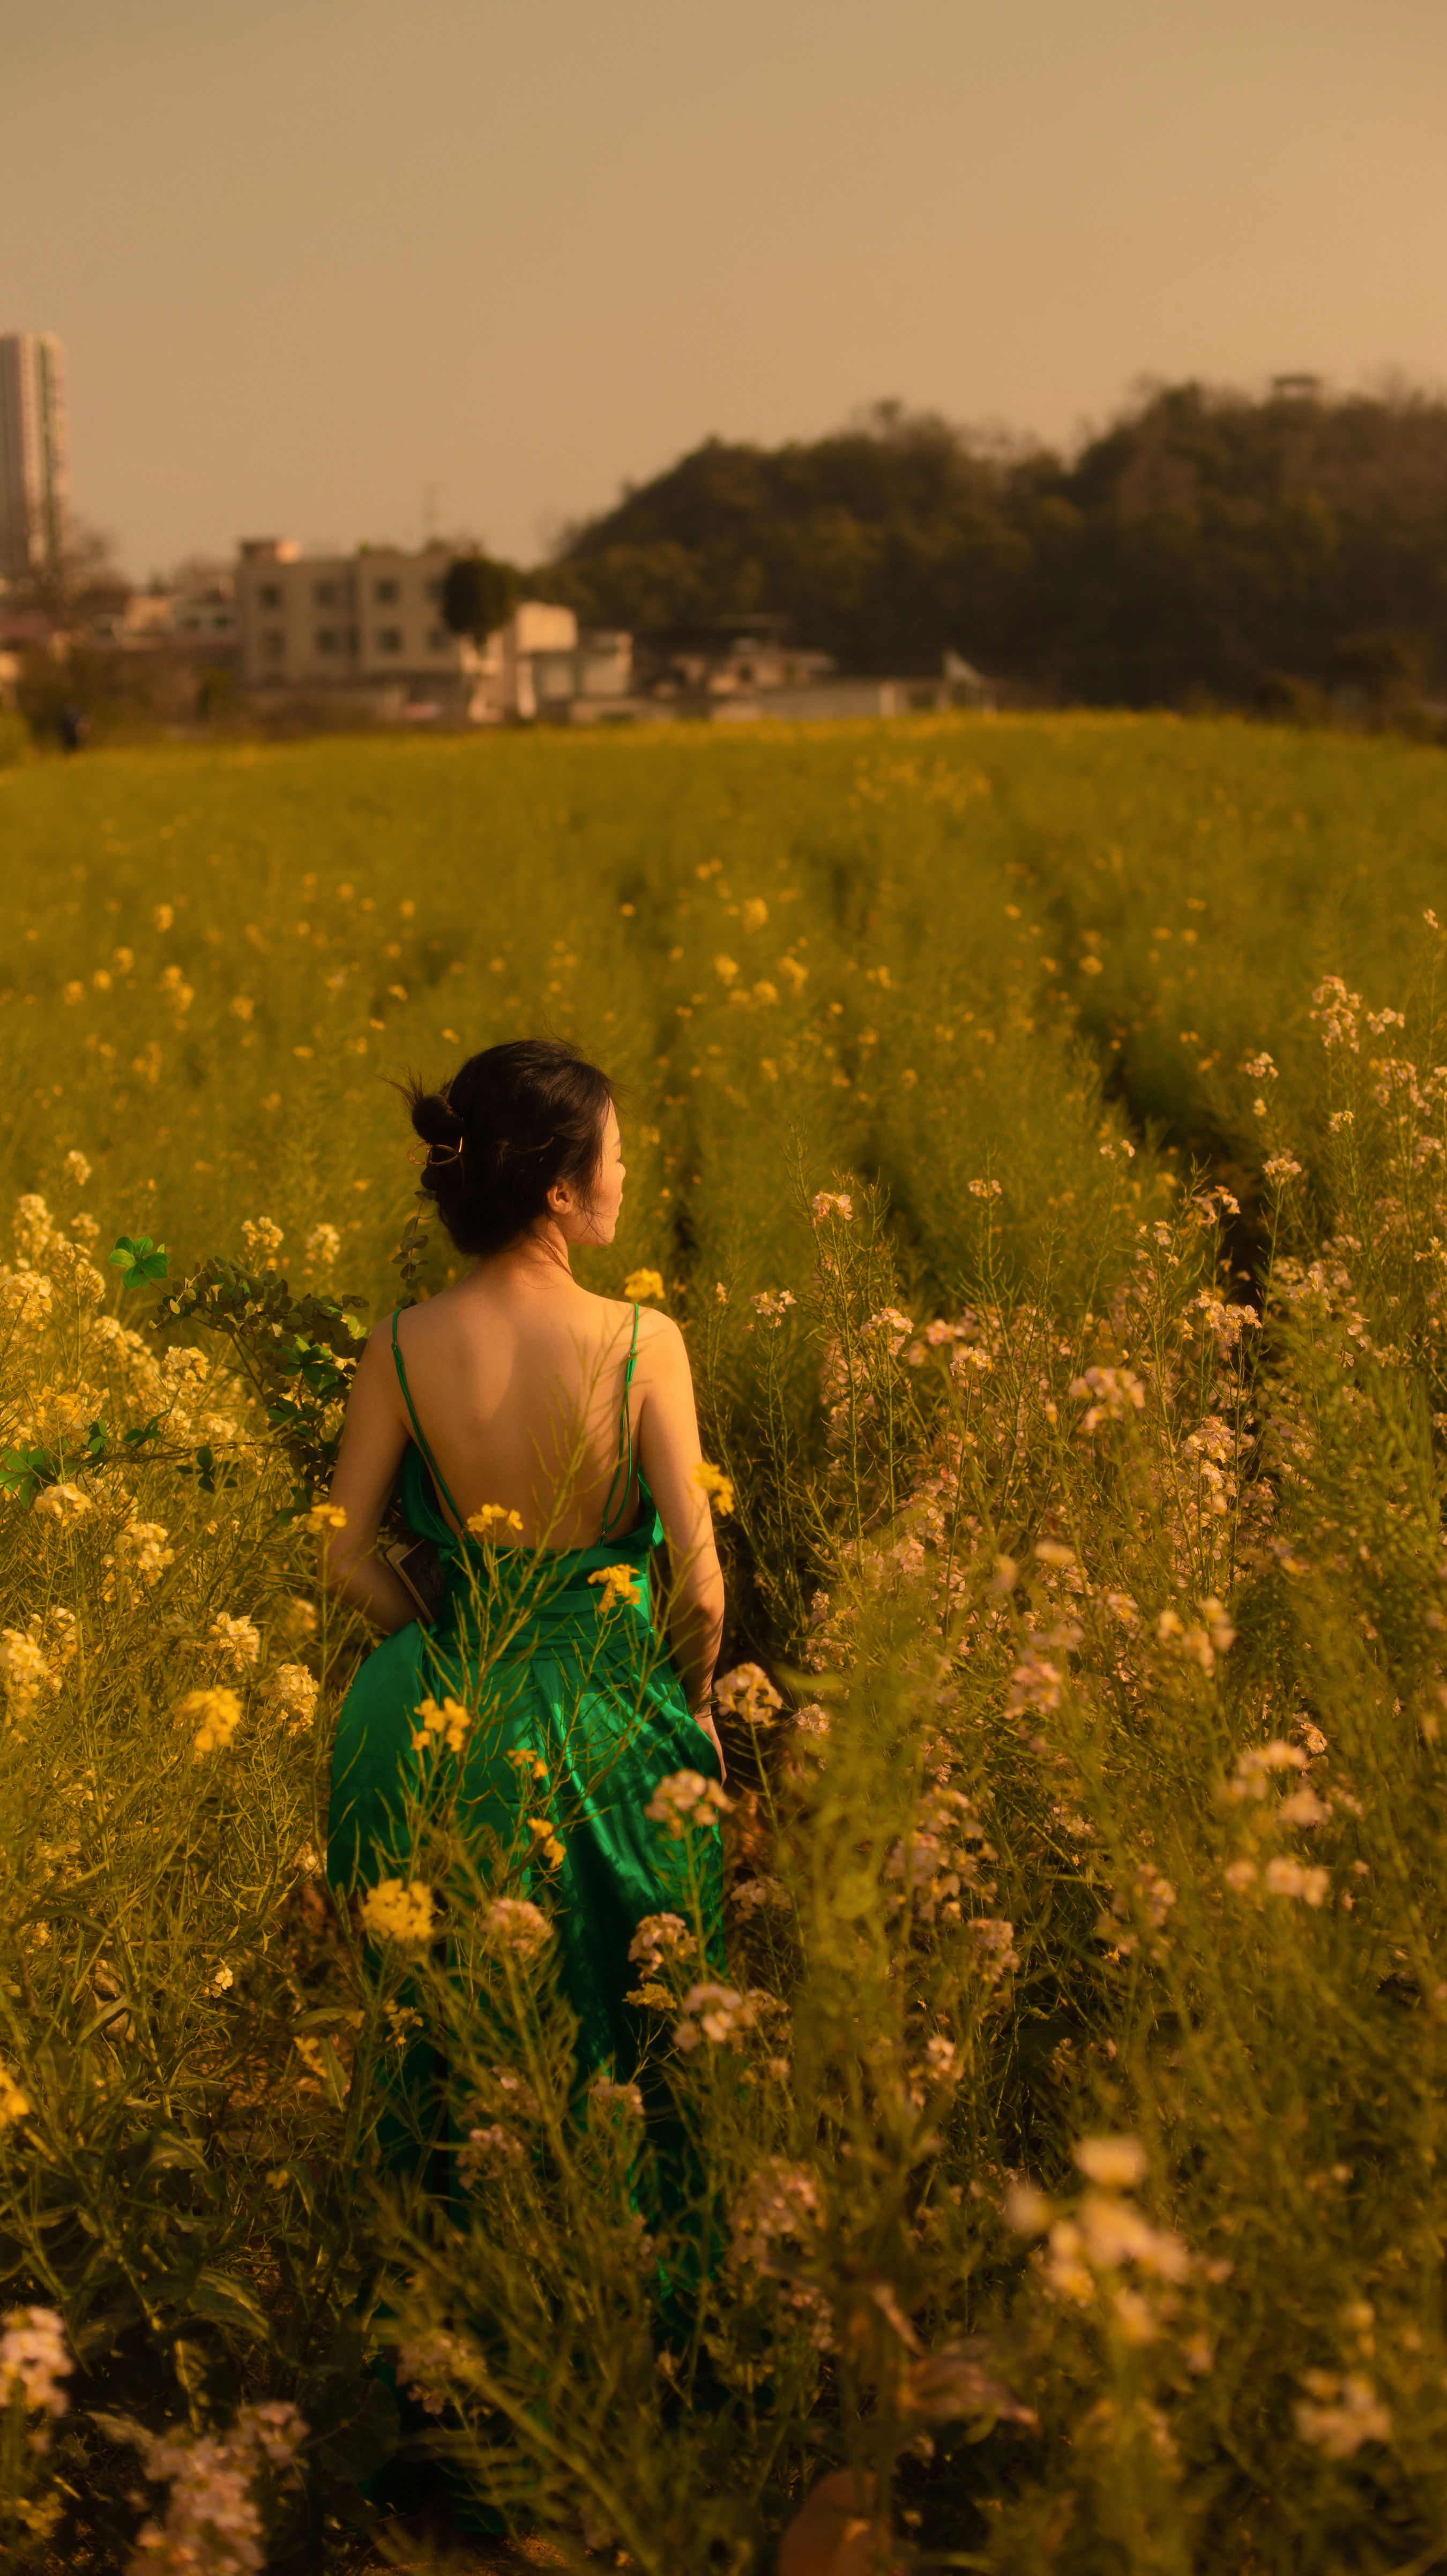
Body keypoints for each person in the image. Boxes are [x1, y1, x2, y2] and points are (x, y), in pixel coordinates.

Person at [322, 1037, 727, 2108]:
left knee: (456, 2030)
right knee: (624, 2029)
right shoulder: (645, 1341)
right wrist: (684, 1710)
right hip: (606, 1719)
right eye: (617, 1156)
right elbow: (701, 1588)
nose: (627, 1175)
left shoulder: (401, 1344)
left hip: (441, 1724)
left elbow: (343, 1554)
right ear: (558, 1186)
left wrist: (449, 1625)